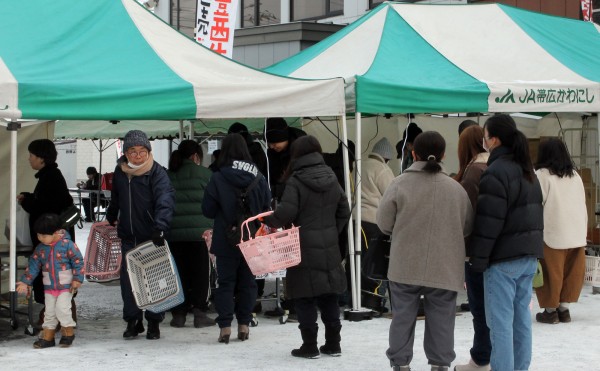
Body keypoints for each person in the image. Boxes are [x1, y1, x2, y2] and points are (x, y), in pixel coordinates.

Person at [377, 131, 473, 371]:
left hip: (404, 264)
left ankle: (400, 363)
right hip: (445, 266)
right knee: (442, 320)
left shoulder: (399, 184)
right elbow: (467, 226)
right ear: (443, 155)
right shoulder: (456, 189)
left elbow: (384, 224)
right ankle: (440, 364)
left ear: (413, 153)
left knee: (402, 317)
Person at [262, 135, 351, 359]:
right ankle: (333, 344)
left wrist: (268, 221)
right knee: (329, 294)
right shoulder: (332, 176)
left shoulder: (297, 180)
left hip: (301, 246)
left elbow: (286, 213)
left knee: (304, 296)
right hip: (329, 246)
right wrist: (332, 230)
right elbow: (344, 210)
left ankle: (309, 346)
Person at [468, 114, 543, 371]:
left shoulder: (496, 172)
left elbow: (489, 223)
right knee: (521, 321)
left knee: (499, 325)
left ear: (495, 139)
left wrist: (477, 261)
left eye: (485, 136)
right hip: (528, 257)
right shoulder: (527, 169)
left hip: (502, 261)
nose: (484, 141)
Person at [202, 133, 271, 344]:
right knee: (248, 283)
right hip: (252, 238)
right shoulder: (259, 176)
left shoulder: (218, 176)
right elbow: (267, 207)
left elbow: (208, 210)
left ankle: (224, 328)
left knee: (225, 284)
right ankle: (244, 325)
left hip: (225, 238)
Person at [106, 130, 175, 340]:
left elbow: (166, 200)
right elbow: (116, 198)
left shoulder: (157, 172)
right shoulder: (120, 172)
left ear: (148, 151)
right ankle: (133, 321)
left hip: (151, 236)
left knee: (154, 279)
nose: (138, 155)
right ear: (125, 152)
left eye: (142, 151)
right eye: (133, 151)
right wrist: (111, 213)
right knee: (129, 282)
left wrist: (160, 227)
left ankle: (154, 322)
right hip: (128, 235)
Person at [17, 138, 76, 327]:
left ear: (41, 158)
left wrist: (27, 201)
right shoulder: (50, 176)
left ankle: (56, 321)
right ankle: (58, 319)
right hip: (55, 240)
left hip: (55, 242)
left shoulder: (51, 177)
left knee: (54, 279)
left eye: (32, 155)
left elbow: (45, 206)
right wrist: (30, 196)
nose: (29, 159)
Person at [534, 138, 587, 324]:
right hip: (577, 232)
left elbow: (536, 202)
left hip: (553, 232)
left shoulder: (541, 174)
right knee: (571, 273)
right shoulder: (575, 175)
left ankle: (550, 311)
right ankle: (564, 310)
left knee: (551, 273)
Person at [453, 125, 491, 371]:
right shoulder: (496, 166)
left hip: (476, 250)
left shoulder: (473, 172)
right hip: (499, 248)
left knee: (480, 308)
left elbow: (466, 216)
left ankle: (480, 359)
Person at [16, 213, 84, 349]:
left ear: (56, 232)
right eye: (38, 235)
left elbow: (78, 261)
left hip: (65, 286)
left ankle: (67, 333)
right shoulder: (41, 248)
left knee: (62, 309)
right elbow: (33, 265)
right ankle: (48, 337)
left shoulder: (68, 245)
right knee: (49, 312)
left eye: (44, 235)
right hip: (49, 286)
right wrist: (25, 281)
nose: (40, 238)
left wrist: (77, 279)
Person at [167, 140, 214, 329]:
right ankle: (200, 313)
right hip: (200, 234)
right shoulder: (206, 174)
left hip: (174, 234)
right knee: (201, 275)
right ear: (196, 156)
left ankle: (178, 314)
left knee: (178, 274)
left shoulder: (168, 176)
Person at [228, 122, 268, 314]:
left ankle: (228, 318)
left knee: (229, 275)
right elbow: (266, 198)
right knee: (253, 268)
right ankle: (251, 306)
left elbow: (208, 207)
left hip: (228, 228)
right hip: (254, 225)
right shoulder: (257, 165)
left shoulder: (221, 171)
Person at [360, 137, 395, 313]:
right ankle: (373, 299)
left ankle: (357, 296)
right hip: (373, 220)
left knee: (359, 259)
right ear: (386, 157)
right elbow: (392, 195)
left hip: (355, 219)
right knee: (375, 261)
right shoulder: (382, 169)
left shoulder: (359, 164)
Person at [264, 117, 307, 202]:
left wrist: (276, 190)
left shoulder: (302, 150)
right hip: (282, 200)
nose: (271, 147)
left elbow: (302, 181)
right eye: (269, 144)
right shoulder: (272, 153)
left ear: (284, 138)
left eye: (274, 143)